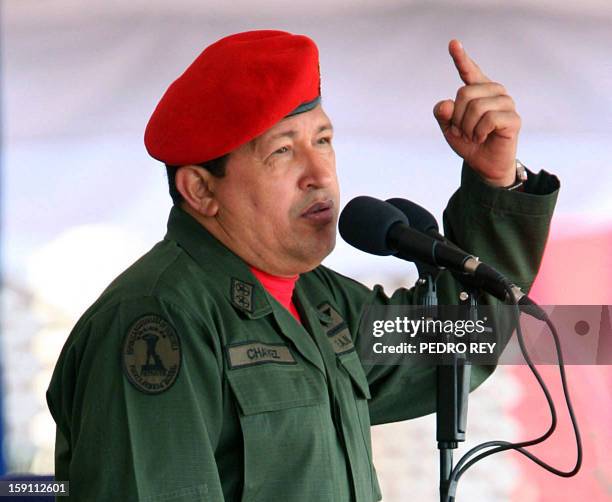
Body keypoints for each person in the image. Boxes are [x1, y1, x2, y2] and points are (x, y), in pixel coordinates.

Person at [46, 30, 559, 501]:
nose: (319, 174)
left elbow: (461, 340)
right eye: (282, 151)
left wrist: (495, 182)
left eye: (323, 140)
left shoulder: (319, 301)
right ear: (201, 191)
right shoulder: (159, 319)